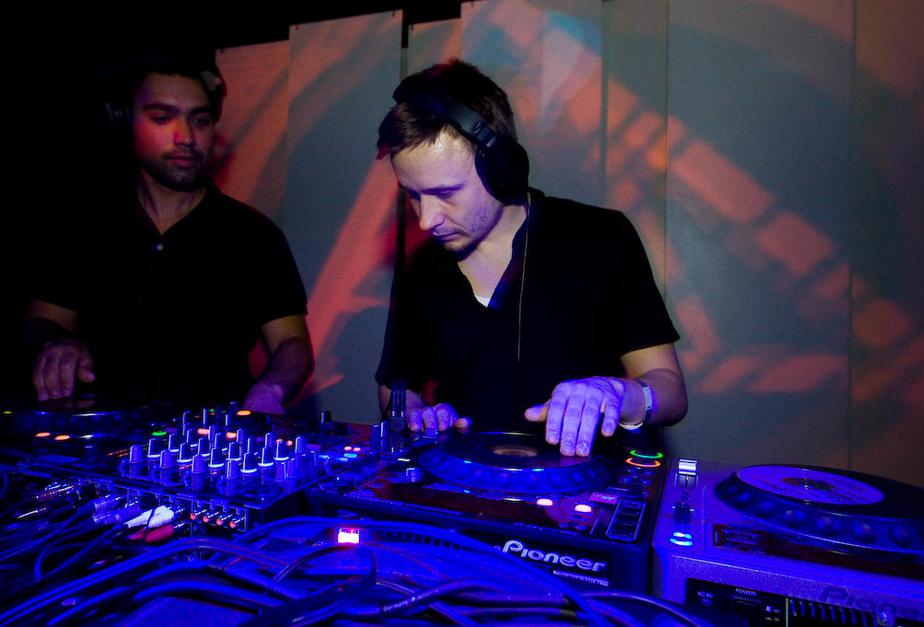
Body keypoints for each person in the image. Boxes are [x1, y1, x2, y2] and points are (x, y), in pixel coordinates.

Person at [375, 59, 687, 456]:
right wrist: (415, 414)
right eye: (414, 196)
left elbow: (671, 391)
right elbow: (394, 386)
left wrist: (617, 393)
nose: (426, 220)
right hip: (461, 483)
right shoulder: (423, 267)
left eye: (446, 193)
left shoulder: (601, 237)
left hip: (579, 486)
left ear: (501, 170)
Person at [25, 53, 313, 414]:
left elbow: (292, 345)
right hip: (100, 431)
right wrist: (55, 342)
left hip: (209, 437)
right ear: (124, 121)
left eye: (200, 120)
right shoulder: (85, 224)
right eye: (162, 118)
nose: (187, 137)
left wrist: (269, 390)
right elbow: (42, 318)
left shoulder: (253, 234)